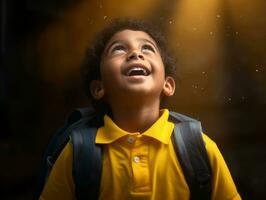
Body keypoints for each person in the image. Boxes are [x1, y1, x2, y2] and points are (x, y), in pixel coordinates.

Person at [39, 18, 241, 200]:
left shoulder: (199, 147)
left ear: (167, 85)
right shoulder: (78, 153)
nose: (135, 53)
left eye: (147, 49)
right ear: (98, 87)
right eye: (118, 49)